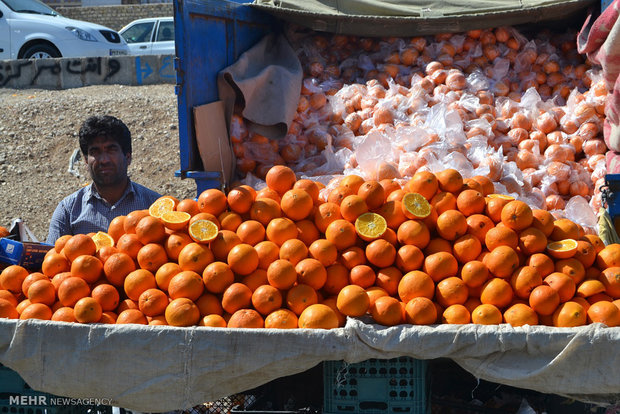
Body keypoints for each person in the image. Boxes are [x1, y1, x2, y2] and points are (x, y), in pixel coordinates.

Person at [46, 115, 161, 244]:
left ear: (128, 157)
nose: (104, 160)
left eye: (111, 150)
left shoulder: (155, 206)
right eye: (95, 152)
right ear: (85, 160)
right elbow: (52, 260)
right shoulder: (68, 210)